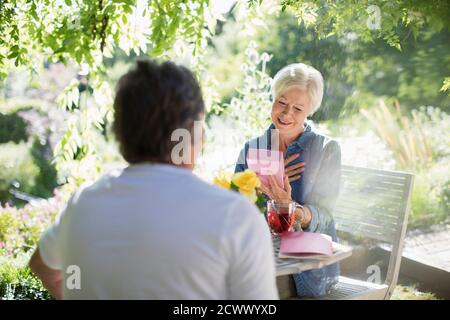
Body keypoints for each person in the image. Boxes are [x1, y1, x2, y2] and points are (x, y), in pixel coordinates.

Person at [29, 60, 278, 300]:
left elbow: (43, 266)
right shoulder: (235, 217)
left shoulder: (82, 204)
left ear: (121, 131)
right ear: (192, 133)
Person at [235, 63, 341, 297]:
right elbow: (236, 210)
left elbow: (326, 216)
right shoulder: (253, 148)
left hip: (309, 266)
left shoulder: (326, 149)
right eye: (281, 103)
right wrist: (261, 195)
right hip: (261, 258)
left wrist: (290, 207)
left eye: (298, 109)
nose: (286, 114)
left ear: (309, 111)